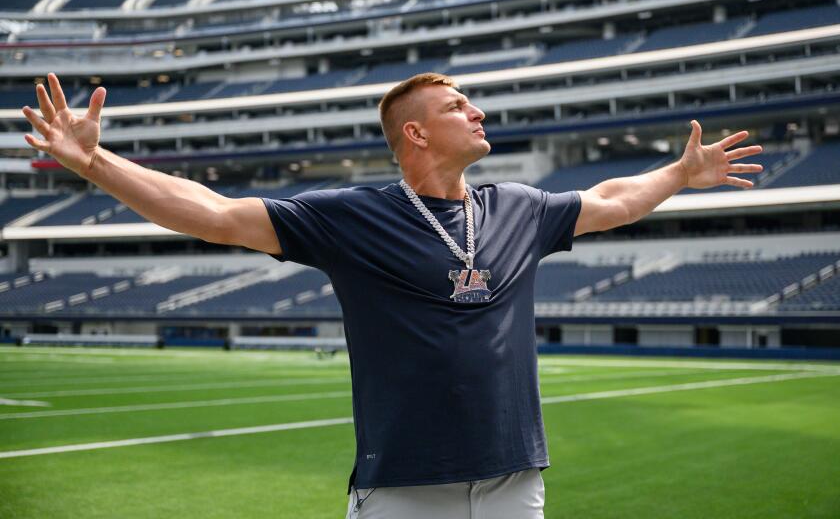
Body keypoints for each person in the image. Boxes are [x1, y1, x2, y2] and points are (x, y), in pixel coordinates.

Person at [21, 72, 762, 518]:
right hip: (406, 488)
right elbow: (214, 212)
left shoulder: (519, 209)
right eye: (458, 106)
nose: (477, 113)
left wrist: (677, 175)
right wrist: (99, 164)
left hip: (514, 481)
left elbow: (612, 198)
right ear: (416, 133)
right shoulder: (352, 216)